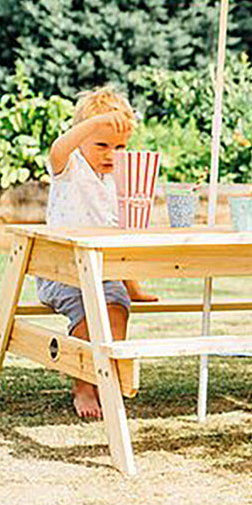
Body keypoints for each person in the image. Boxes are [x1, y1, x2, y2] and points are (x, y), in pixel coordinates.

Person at [36, 86, 157, 419]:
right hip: (61, 273)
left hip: (103, 272)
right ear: (83, 138)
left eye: (119, 147)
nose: (110, 155)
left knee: (117, 307)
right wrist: (97, 122)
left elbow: (123, 241)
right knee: (90, 312)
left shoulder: (120, 181)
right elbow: (58, 148)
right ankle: (83, 387)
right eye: (101, 145)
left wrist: (134, 288)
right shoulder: (70, 167)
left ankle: (106, 374)